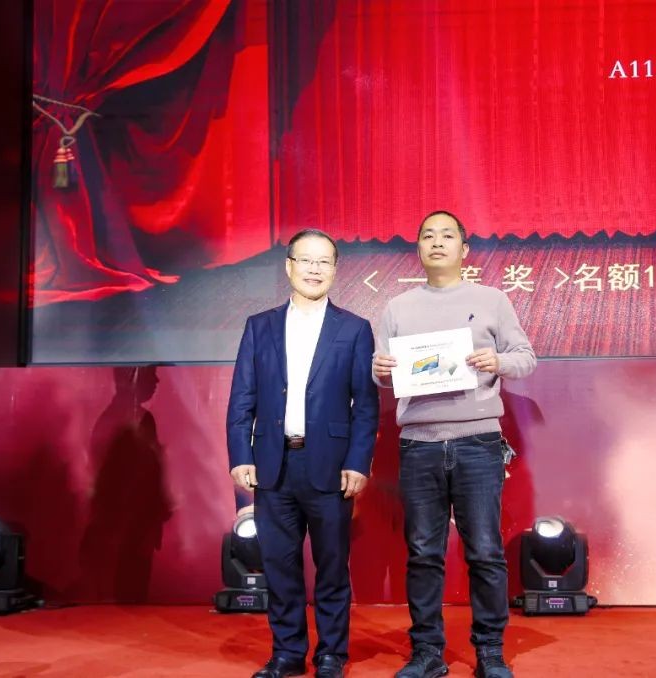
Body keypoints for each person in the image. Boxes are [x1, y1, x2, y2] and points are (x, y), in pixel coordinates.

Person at [372, 211, 537, 678]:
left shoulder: (492, 300)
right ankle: (427, 652)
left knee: (484, 550)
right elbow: (380, 370)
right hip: (419, 444)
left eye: (447, 235)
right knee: (423, 553)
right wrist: (378, 370)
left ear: (464, 250)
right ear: (418, 249)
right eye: (428, 235)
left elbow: (526, 358)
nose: (437, 242)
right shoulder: (397, 307)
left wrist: (497, 361)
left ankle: (490, 652)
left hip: (477, 442)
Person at [227, 229, 379, 678]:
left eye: (324, 262)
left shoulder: (354, 329)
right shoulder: (260, 326)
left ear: (334, 270)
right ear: (289, 266)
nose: (314, 269)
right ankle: (288, 653)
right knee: (279, 565)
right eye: (306, 260)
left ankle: (332, 654)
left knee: (332, 565)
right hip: (273, 465)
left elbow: (366, 406)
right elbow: (242, 397)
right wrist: (240, 453)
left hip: (331, 466)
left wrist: (357, 461)